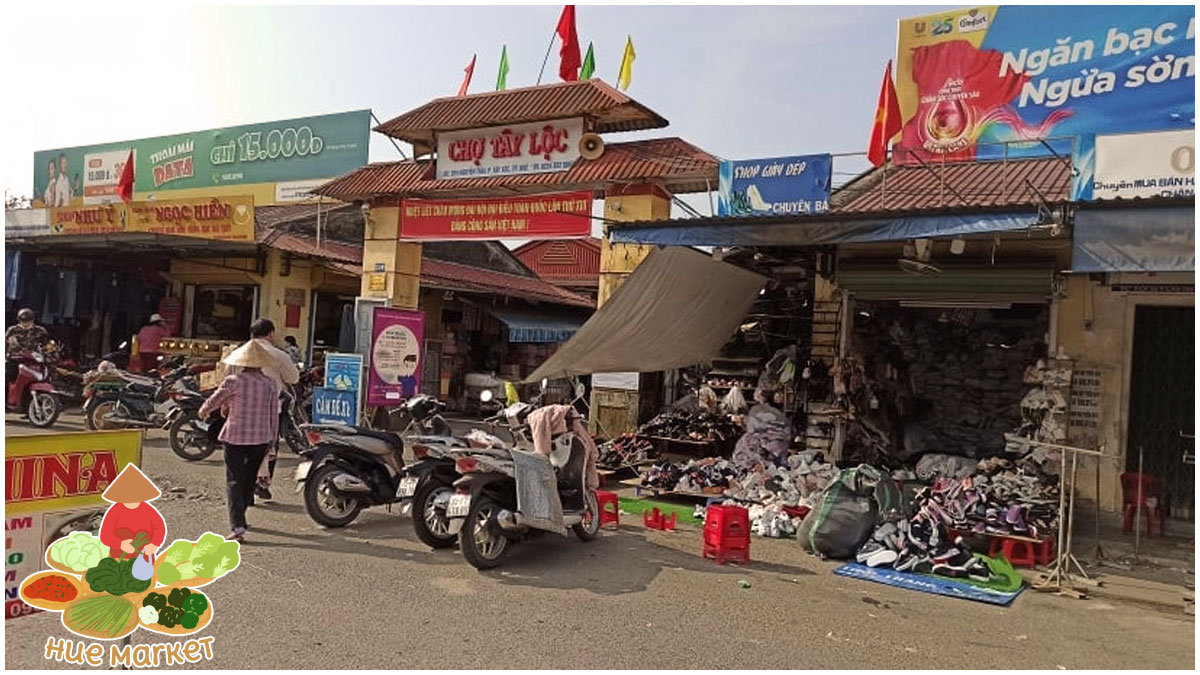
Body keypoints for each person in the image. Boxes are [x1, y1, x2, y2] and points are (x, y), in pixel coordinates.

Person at [198, 340, 281, 542]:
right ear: (262, 364)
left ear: (242, 362)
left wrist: (203, 411)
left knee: (234, 480)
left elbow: (214, 400)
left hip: (235, 437)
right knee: (249, 479)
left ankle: (237, 526)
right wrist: (272, 440)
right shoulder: (270, 384)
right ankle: (240, 519)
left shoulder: (233, 381)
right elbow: (274, 416)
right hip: (261, 438)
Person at [248, 318, 299, 501]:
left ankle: (246, 486)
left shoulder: (240, 353)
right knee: (269, 447)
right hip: (270, 409)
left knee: (243, 448)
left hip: (242, 410)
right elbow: (293, 378)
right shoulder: (278, 355)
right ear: (270, 334)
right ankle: (261, 483)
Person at [98, 464, 167, 559]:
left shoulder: (148, 510)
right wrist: (121, 544)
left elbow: (159, 528)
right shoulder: (115, 511)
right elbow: (105, 534)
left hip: (144, 557)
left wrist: (154, 544)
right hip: (118, 557)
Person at [6, 308, 49, 386]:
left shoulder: (40, 331)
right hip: (15, 360)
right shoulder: (12, 330)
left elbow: (46, 346)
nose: (25, 324)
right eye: (23, 322)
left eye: (28, 321)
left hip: (33, 360)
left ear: (33, 320)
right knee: (7, 377)